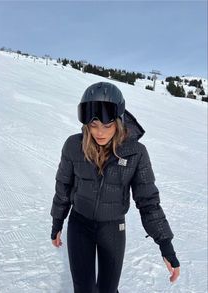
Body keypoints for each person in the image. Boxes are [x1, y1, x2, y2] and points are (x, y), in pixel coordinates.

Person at [50, 82, 180, 293]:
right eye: (93, 126)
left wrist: (165, 244)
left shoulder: (135, 153)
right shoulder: (73, 146)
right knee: (83, 288)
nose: (99, 132)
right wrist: (57, 222)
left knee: (108, 289)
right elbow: (63, 186)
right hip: (79, 225)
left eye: (107, 126)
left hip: (112, 228)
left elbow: (148, 202)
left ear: (118, 121)